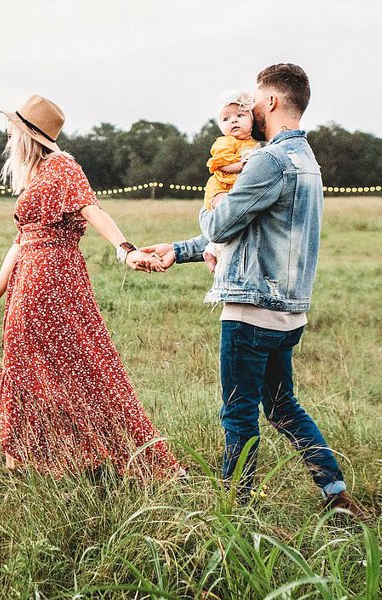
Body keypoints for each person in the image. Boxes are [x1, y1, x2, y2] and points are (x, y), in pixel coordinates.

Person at [142, 64, 365, 516]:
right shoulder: (307, 161)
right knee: (283, 407)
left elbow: (222, 222)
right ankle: (335, 494)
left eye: (256, 101)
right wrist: (180, 250)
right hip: (289, 313)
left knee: (238, 413)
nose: (250, 109)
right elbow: (249, 231)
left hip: (251, 310)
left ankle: (234, 511)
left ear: (273, 102)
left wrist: (215, 202)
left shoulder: (268, 160)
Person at [0, 94, 180, 478]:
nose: (6, 137)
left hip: (52, 277)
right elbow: (19, 243)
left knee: (80, 364)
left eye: (12, 130)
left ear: (27, 135)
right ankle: (32, 457)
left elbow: (92, 209)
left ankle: (105, 454)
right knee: (31, 365)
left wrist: (125, 250)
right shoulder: (35, 175)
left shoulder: (62, 167)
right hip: (29, 276)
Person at [201, 90, 262, 273]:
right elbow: (220, 164)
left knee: (237, 219)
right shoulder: (225, 142)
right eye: (226, 119)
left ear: (252, 121)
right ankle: (214, 249)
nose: (233, 121)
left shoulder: (254, 144)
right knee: (225, 213)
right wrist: (240, 165)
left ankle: (213, 249)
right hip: (220, 187)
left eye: (240, 115)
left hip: (234, 189)